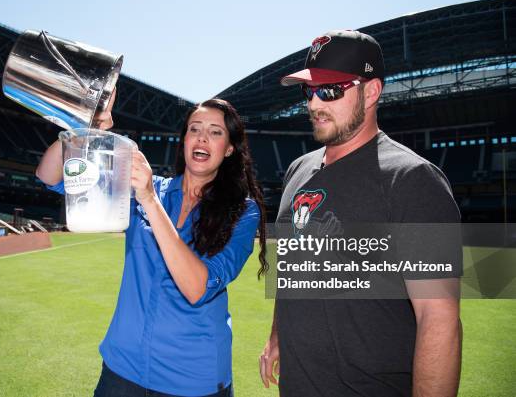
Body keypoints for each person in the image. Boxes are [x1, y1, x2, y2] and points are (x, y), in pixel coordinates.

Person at [259, 30, 462, 396]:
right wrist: (278, 333)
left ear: (371, 91)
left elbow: (439, 319)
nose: (315, 104)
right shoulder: (297, 170)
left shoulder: (413, 180)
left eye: (331, 89)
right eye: (309, 91)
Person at [36, 95, 267, 397]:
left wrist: (149, 200)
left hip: (192, 381)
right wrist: (88, 130)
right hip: (122, 371)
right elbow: (48, 175)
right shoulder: (148, 187)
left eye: (215, 132)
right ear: (184, 139)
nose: (202, 138)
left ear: (229, 149)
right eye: (194, 129)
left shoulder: (243, 211)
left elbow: (197, 287)